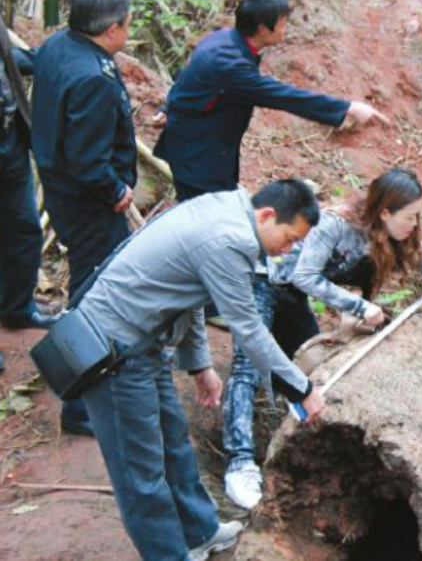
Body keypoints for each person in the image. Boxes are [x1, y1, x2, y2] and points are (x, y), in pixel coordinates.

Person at [220, 168, 422, 509]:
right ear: (385, 212)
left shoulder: (401, 240)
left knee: (310, 375)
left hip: (293, 298)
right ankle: (240, 464)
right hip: (265, 282)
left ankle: (290, 449)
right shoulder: (336, 225)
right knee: (248, 366)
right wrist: (357, 305)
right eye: (409, 216)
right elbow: (304, 274)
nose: (414, 224)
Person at [76, 179, 327, 561]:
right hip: (115, 351)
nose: (287, 250)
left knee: (173, 442)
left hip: (146, 341)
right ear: (267, 215)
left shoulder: (227, 208)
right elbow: (249, 330)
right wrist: (302, 388)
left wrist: (200, 365)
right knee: (140, 473)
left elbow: (188, 292)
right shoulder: (229, 239)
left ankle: (200, 531)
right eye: (290, 239)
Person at [153, 0, 388, 202]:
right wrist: (348, 108)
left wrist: (168, 107)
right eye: (283, 23)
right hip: (199, 160)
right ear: (263, 29)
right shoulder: (230, 65)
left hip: (208, 151)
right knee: (208, 228)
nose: (286, 28)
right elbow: (283, 96)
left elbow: (189, 78)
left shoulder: (223, 40)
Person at [31, 0, 138, 436]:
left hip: (63, 191)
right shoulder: (93, 77)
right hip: (89, 203)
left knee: (90, 283)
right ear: (112, 28)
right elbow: (88, 159)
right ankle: (78, 403)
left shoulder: (59, 46)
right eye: (128, 22)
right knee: (94, 292)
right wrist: (117, 190)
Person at [0, 17, 58, 331]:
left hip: (9, 141)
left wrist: (44, 59)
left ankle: (16, 308)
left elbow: (7, 56)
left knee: (24, 229)